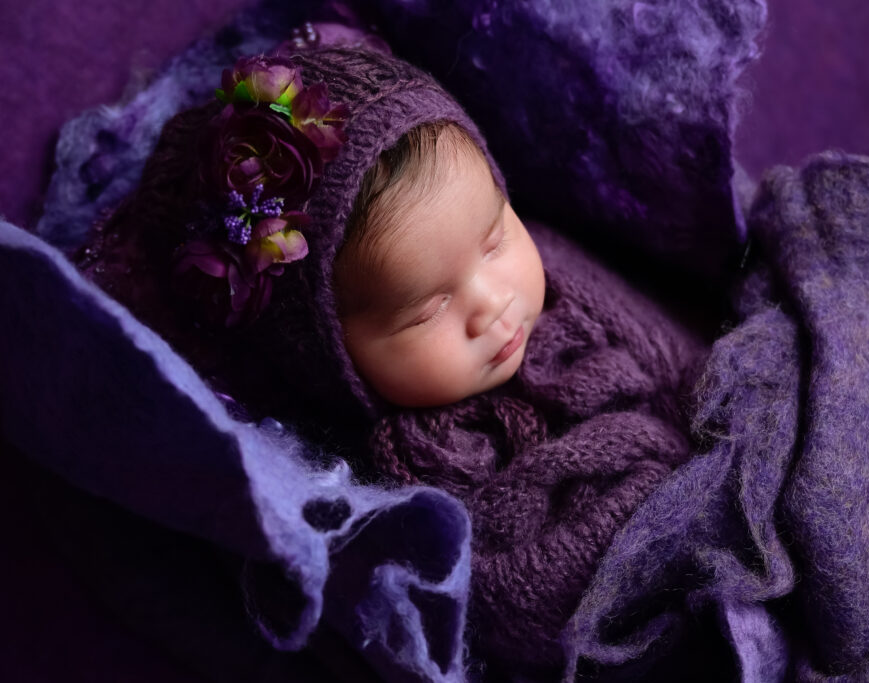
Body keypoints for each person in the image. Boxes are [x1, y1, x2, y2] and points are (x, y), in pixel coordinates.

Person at [76, 44, 711, 678]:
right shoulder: (411, 470)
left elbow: (695, 363)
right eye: (426, 310)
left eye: (494, 238)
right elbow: (519, 602)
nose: (494, 304)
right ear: (335, 360)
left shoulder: (561, 275)